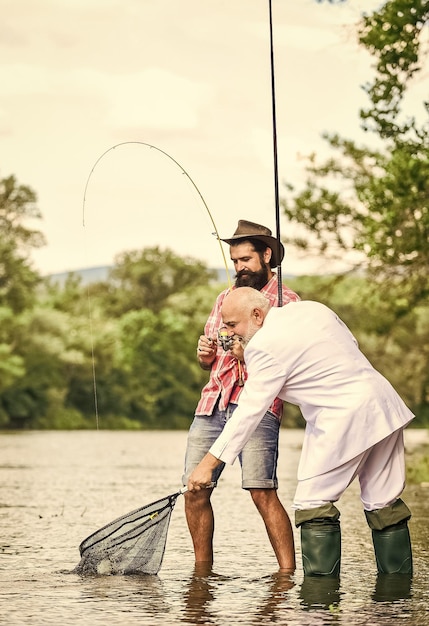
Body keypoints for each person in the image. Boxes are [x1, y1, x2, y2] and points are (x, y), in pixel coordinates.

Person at [187, 287, 414, 577]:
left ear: (257, 315)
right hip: (382, 404)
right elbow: (347, 344)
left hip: (343, 416)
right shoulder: (312, 309)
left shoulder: (262, 347)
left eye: (233, 325)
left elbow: (249, 411)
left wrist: (208, 465)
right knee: (384, 503)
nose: (229, 333)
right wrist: (249, 353)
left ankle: (319, 606)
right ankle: (396, 603)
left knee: (313, 504)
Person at [182, 220, 300, 571]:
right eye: (234, 261)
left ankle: (287, 573)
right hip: (212, 403)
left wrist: (245, 352)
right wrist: (205, 355)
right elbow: (211, 359)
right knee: (194, 489)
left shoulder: (287, 301)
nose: (239, 268)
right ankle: (202, 572)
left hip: (260, 406)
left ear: (266, 255)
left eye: (246, 259)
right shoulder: (224, 299)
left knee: (261, 490)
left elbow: (286, 362)